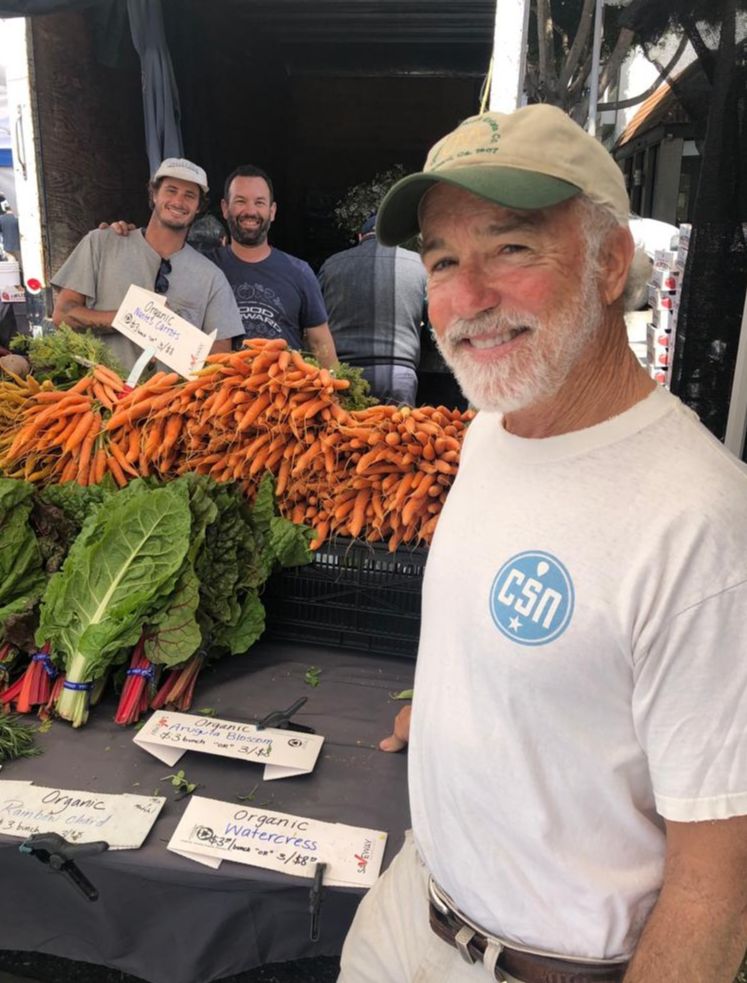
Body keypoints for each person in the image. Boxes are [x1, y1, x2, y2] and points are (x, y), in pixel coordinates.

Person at [339, 105, 747, 983]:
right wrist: (457, 717)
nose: (468, 297)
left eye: (511, 248)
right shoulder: (495, 427)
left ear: (608, 264)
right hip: (411, 909)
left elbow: (718, 893)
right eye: (443, 261)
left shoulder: (702, 523)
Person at [51, 158, 244, 372]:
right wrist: (131, 318)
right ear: (154, 194)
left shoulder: (211, 278)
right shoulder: (102, 244)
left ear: (199, 207)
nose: (179, 201)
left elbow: (222, 355)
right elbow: (63, 316)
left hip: (172, 402)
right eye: (171, 191)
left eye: (190, 195)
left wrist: (173, 340)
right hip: (99, 399)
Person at [208, 164, 337, 368]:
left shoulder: (299, 272)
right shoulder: (206, 268)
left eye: (259, 202)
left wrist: (335, 390)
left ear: (272, 211)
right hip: (217, 396)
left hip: (285, 394)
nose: (250, 211)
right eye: (240, 201)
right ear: (225, 208)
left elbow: (320, 342)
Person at [318, 213, 425, 404]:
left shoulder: (331, 264)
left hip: (344, 374)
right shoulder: (419, 265)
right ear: (395, 237)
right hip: (399, 374)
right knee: (398, 431)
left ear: (360, 237)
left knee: (347, 432)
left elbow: (315, 320)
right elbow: (436, 323)